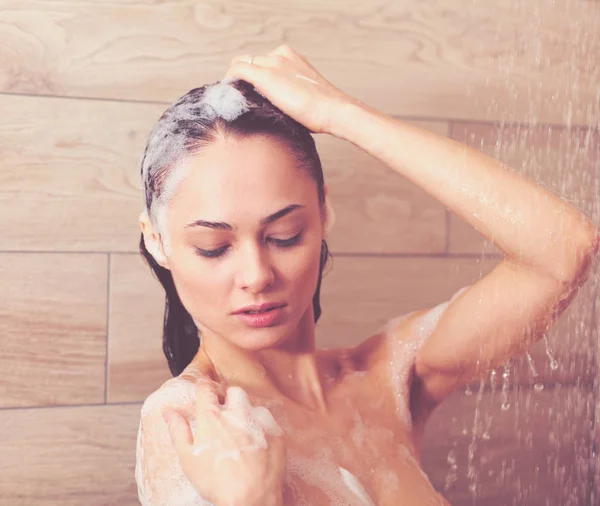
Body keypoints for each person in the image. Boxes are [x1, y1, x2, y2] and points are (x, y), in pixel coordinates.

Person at [134, 44, 599, 506]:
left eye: (285, 235)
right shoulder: (191, 424)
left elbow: (563, 247)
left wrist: (342, 114)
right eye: (214, 248)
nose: (256, 275)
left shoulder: (385, 381)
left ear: (322, 214)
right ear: (158, 242)